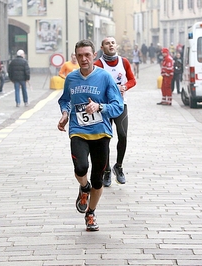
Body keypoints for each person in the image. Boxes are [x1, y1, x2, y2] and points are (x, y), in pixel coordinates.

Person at [57, 39, 124, 231]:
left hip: (101, 133)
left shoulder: (104, 78)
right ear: (76, 57)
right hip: (78, 130)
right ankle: (83, 188)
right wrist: (64, 114)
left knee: (98, 179)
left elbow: (117, 106)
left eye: (87, 55)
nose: (84, 59)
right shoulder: (71, 78)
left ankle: (91, 213)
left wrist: (99, 106)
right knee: (80, 167)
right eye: (80, 56)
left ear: (95, 56)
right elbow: (65, 101)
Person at [94, 36, 137, 187]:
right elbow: (95, 84)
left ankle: (118, 166)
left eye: (113, 42)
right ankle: (106, 171)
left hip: (120, 105)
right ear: (102, 47)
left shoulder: (123, 62)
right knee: (105, 139)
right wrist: (110, 90)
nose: (110, 45)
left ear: (116, 45)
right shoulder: (98, 64)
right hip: (104, 107)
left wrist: (125, 87)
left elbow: (133, 80)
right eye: (107, 43)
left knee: (123, 135)